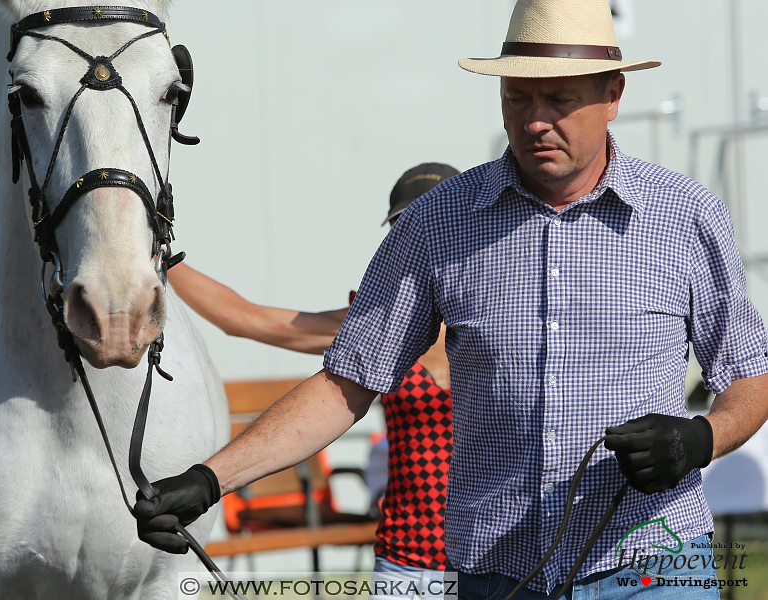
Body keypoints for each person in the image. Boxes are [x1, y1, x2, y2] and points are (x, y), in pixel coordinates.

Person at [133, 1, 768, 598]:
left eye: (559, 100)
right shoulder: (437, 223)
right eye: (517, 98)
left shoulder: (685, 216)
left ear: (613, 96)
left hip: (651, 568)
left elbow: (749, 375)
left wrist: (700, 439)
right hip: (499, 572)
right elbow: (346, 384)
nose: (535, 121)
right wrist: (212, 479)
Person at [167, 163, 459, 599]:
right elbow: (244, 319)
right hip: (409, 554)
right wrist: (156, 256)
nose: (418, 241)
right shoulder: (378, 321)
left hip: (497, 553)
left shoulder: (503, 315)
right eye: (403, 228)